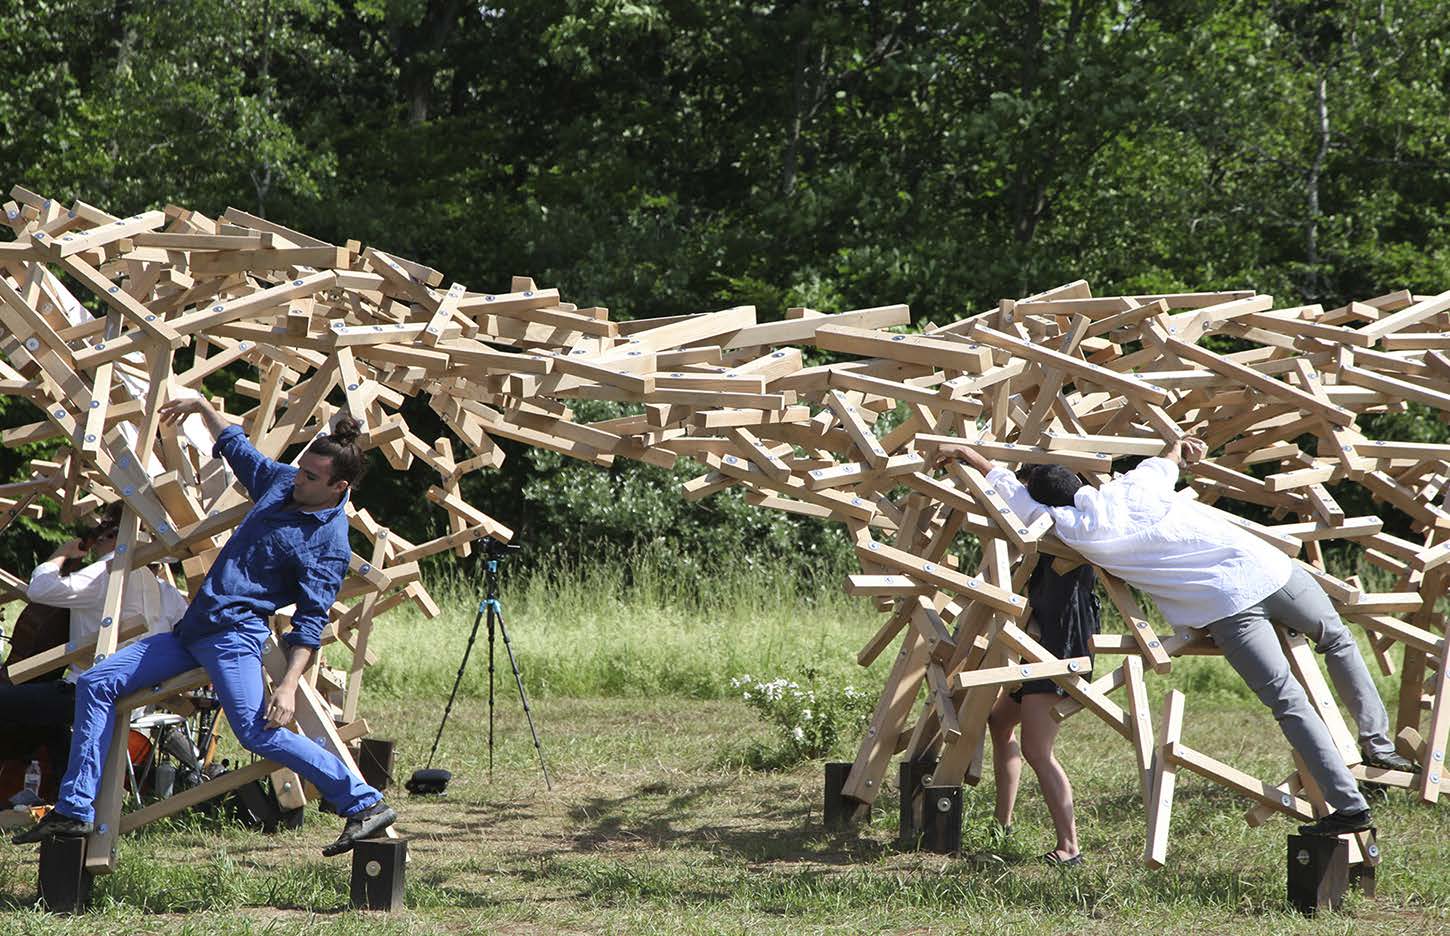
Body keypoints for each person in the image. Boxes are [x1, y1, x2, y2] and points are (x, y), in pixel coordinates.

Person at [934, 436, 1416, 837]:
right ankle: (1377, 743)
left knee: (1287, 700)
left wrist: (966, 456)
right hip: (1272, 567)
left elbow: (1003, 490)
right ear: (1080, 484)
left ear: (1044, 499)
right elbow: (1167, 461)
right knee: (1336, 638)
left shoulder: (1071, 527)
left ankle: (1350, 809)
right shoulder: (1130, 488)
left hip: (1227, 604)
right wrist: (1181, 449)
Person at [13, 400, 395, 855]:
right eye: (302, 470)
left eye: (311, 477)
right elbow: (237, 447)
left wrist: (288, 686)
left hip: (235, 638)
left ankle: (364, 803)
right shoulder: (280, 484)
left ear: (340, 486)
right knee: (95, 683)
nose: (299, 479)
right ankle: (74, 812)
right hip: (192, 634)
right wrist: (200, 406)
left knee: (257, 732)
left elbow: (311, 624)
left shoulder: (327, 545)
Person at [0, 510, 187, 787]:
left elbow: (40, 590)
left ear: (114, 537)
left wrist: (60, 555)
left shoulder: (107, 572)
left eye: (101, 538)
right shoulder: (168, 592)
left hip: (89, 693)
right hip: (139, 701)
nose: (96, 545)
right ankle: (62, 785)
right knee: (48, 718)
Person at [987, 550, 1098, 865]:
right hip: (1037, 643)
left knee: (1037, 749)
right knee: (999, 721)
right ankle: (1002, 824)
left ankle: (1070, 847)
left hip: (1061, 649)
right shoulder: (1046, 529)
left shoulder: (1074, 529)